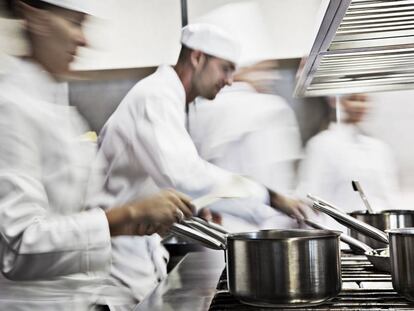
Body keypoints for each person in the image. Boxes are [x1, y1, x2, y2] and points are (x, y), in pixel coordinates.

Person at [0, 0, 194, 310]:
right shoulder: (10, 107)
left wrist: (142, 211)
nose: (84, 40)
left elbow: (76, 213)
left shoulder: (56, 106)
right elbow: (20, 248)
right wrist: (129, 216)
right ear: (34, 17)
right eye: (75, 22)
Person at [96, 23, 308, 302]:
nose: (231, 80)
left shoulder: (168, 99)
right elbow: (187, 175)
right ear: (197, 58)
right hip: (117, 269)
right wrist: (269, 196)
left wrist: (195, 208)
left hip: (135, 260)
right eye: (225, 68)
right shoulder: (154, 97)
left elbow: (167, 180)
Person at [188, 60, 304, 231]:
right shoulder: (269, 108)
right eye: (264, 69)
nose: (270, 77)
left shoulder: (202, 109)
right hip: (263, 227)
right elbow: (277, 182)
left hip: (220, 228)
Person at [297, 94, 400, 231]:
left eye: (364, 101)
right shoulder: (321, 145)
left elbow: (390, 196)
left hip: (380, 233)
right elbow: (311, 198)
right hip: (340, 235)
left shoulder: (379, 148)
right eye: (353, 99)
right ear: (335, 101)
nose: (359, 106)